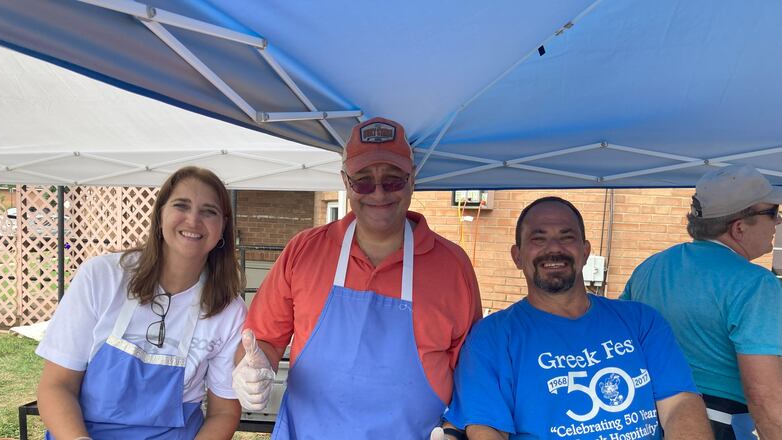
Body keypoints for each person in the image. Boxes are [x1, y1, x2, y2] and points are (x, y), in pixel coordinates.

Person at [232, 116, 482, 439]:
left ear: (412, 179)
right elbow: (261, 340)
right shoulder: (305, 252)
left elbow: (473, 376)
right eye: (363, 181)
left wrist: (453, 432)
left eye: (392, 179)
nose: (378, 193)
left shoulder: (453, 267)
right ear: (345, 182)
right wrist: (253, 369)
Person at [443, 196, 712, 439]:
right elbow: (487, 431)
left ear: (585, 251)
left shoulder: (641, 321)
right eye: (538, 239)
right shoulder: (491, 337)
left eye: (566, 237)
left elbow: (680, 403)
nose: (554, 249)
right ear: (517, 256)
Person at [36, 166, 246, 439]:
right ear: (159, 217)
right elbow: (56, 386)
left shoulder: (228, 309)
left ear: (222, 228)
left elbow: (224, 412)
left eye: (209, 211)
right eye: (181, 205)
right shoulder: (102, 277)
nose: (193, 220)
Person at [621, 165, 782, 439]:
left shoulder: (651, 266)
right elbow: (766, 399)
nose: (777, 222)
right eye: (772, 213)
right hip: (716, 426)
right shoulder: (755, 283)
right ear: (739, 227)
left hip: (649, 421)